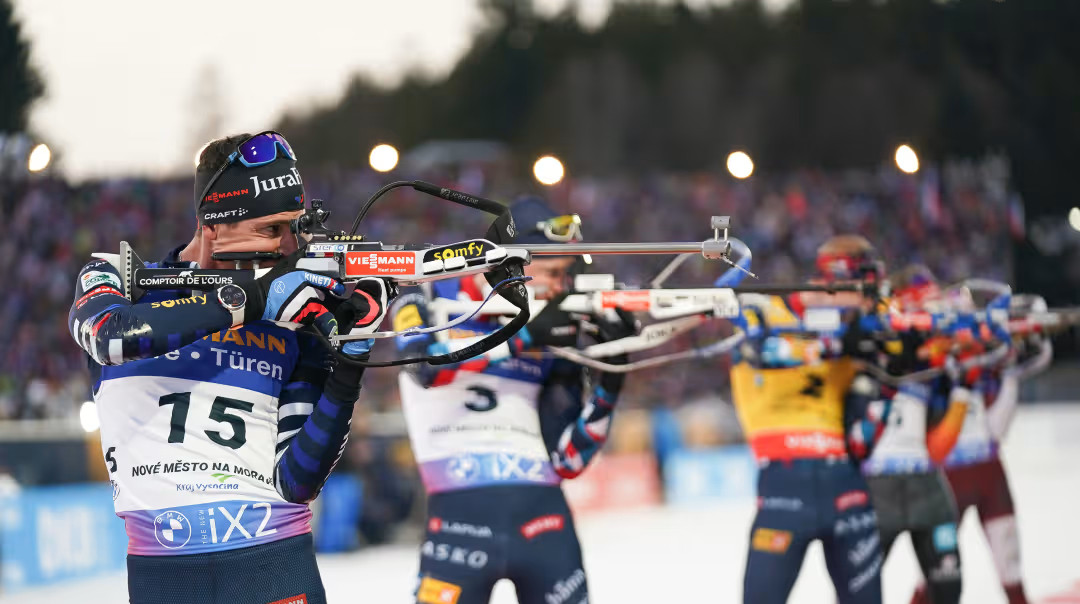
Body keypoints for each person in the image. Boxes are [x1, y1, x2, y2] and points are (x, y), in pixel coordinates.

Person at [68, 131, 394, 604]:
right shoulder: (120, 280)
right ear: (213, 226)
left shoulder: (295, 320)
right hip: (165, 577)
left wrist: (349, 355)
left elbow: (299, 480)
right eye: (271, 229)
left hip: (275, 564)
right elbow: (109, 335)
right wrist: (251, 300)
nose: (289, 246)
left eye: (296, 227)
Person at [391, 197, 635, 604]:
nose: (560, 287)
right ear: (514, 262)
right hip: (458, 524)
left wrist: (610, 381)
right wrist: (524, 338)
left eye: (566, 275)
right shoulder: (427, 294)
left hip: (544, 519)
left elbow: (568, 461)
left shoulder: (552, 325)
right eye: (553, 272)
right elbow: (425, 365)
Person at [731, 234, 886, 604]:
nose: (870, 301)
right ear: (832, 282)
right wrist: (832, 345)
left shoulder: (860, 328)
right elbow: (759, 351)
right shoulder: (765, 311)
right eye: (864, 289)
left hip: (846, 483)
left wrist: (885, 362)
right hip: (784, 487)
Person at [910, 294, 1051, 604]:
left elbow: (996, 430)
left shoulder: (987, 359)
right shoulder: (927, 361)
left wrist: (1011, 366)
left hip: (986, 473)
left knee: (1009, 565)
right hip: (948, 479)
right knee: (936, 572)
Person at [859, 264, 970, 604]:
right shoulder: (867, 342)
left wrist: (962, 383)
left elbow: (938, 445)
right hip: (875, 490)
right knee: (858, 591)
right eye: (925, 307)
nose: (931, 317)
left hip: (926, 485)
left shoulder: (935, 364)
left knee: (948, 587)